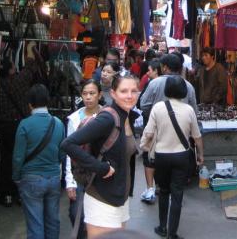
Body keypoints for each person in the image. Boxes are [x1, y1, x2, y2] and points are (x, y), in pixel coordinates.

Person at [61, 73, 140, 238]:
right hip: (101, 198)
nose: (130, 95)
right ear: (112, 93)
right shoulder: (108, 118)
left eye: (134, 91)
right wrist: (101, 168)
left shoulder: (128, 116)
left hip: (121, 197)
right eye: (124, 91)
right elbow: (68, 144)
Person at [140, 76, 204, 239]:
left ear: (167, 90)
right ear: (184, 91)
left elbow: (148, 132)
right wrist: (201, 155)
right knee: (177, 194)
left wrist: (145, 146)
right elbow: (197, 136)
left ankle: (162, 227)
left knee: (164, 191)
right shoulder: (189, 110)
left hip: (161, 156)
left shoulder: (158, 108)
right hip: (181, 156)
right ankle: (172, 233)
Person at [12, 84, 65, 239]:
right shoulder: (58, 123)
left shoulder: (24, 125)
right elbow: (62, 154)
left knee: (35, 225)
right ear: (47, 101)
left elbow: (18, 157)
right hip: (54, 178)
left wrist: (16, 177)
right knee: (52, 221)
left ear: (30, 104)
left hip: (31, 179)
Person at [65, 80, 103, 239]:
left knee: (100, 217)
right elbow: (69, 152)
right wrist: (70, 182)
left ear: (100, 95)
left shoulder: (106, 116)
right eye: (85, 94)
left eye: (92, 93)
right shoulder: (74, 119)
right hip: (80, 174)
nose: (88, 97)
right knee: (76, 215)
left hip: (102, 174)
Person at [0, 57, 30, 207]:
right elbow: (29, 70)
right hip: (20, 125)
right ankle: (21, 194)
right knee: (22, 159)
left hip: (4, 126)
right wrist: (30, 52)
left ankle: (6, 194)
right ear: (11, 70)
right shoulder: (19, 82)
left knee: (6, 159)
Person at [138, 59, 162, 204]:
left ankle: (150, 189)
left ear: (157, 70)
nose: (147, 73)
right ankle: (160, 186)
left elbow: (142, 104)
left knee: (149, 156)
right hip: (167, 128)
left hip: (151, 126)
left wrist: (150, 114)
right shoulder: (173, 84)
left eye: (149, 70)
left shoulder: (151, 84)